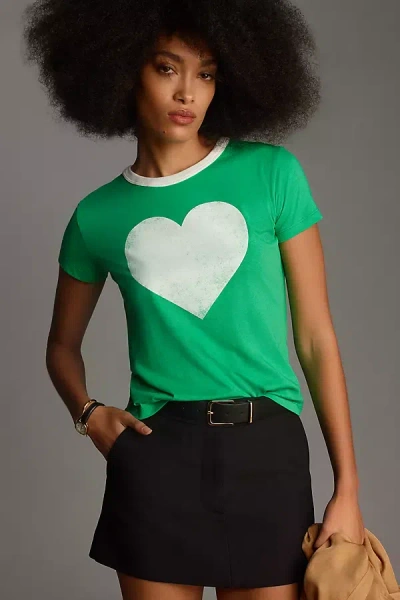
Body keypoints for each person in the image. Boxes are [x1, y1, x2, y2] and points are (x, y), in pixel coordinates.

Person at [22, 0, 365, 599]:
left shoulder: (272, 174)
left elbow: (315, 338)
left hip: (267, 452)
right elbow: (60, 346)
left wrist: (348, 489)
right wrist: (88, 413)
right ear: (123, 70)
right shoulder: (96, 216)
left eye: (205, 73)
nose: (188, 92)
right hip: (156, 458)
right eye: (167, 68)